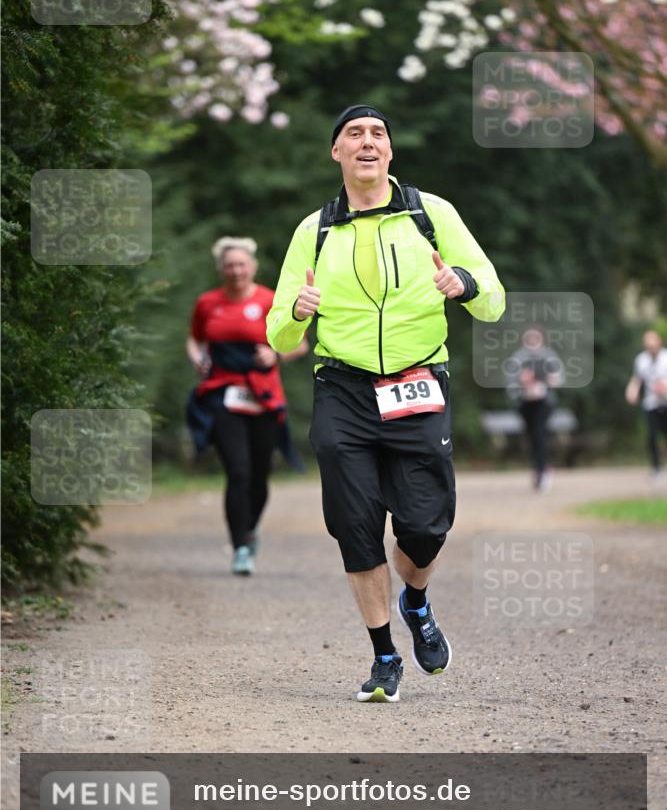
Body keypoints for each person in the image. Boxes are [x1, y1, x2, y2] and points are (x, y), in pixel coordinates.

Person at [267, 104, 505, 703]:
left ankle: (416, 602)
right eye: (354, 134)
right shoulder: (314, 230)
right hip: (342, 388)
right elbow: (277, 334)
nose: (367, 142)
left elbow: (493, 300)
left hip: (417, 382)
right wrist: (295, 311)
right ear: (337, 152)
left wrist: (463, 284)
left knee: (425, 528)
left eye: (377, 134)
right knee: (355, 526)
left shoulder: (431, 215)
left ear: (390, 152)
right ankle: (384, 656)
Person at [186, 236, 307, 575]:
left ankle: (250, 528)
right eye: (229, 265)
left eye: (241, 264)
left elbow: (299, 343)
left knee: (259, 474)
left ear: (252, 267)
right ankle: (240, 545)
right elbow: (195, 338)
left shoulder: (270, 300)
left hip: (263, 395)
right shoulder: (207, 303)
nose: (236, 271)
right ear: (221, 269)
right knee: (237, 471)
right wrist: (197, 358)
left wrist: (275, 354)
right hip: (223, 393)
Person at [506, 326, 564, 491]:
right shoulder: (518, 358)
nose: (532, 341)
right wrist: (522, 389)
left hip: (543, 403)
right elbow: (510, 383)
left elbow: (559, 378)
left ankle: (542, 470)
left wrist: (546, 384)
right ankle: (538, 468)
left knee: (540, 435)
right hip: (525, 403)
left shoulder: (549, 357)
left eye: (535, 337)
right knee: (532, 437)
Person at [625, 329, 667, 477]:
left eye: (652, 342)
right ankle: (656, 467)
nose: (650, 345)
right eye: (647, 343)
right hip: (651, 403)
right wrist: (632, 391)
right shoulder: (641, 359)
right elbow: (637, 379)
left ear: (659, 342)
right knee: (652, 435)